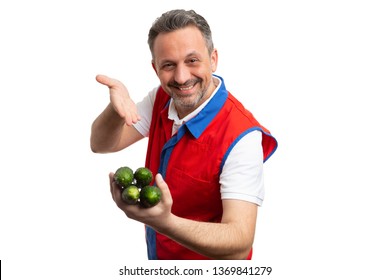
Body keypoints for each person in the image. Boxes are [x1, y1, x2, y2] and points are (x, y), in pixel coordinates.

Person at [90, 9, 277, 260]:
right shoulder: (161, 98)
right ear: (156, 69)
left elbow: (239, 243)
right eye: (168, 65)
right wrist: (115, 110)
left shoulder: (242, 136)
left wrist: (164, 222)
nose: (181, 77)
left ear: (213, 59)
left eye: (192, 61)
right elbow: (101, 144)